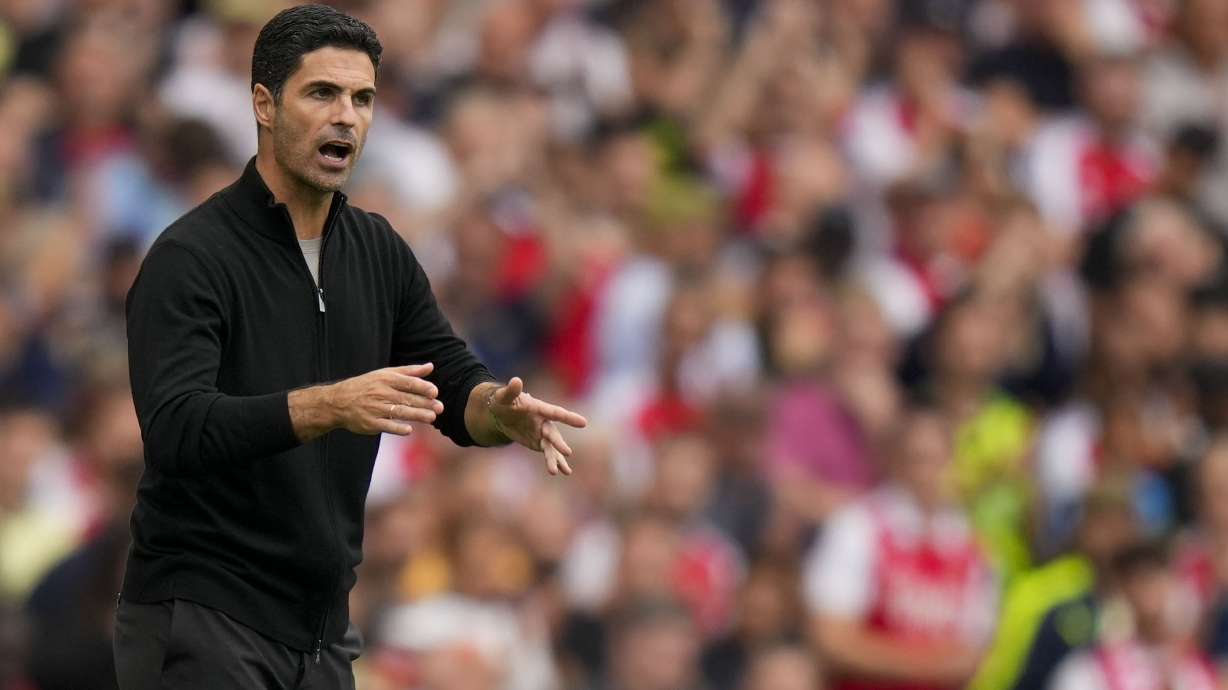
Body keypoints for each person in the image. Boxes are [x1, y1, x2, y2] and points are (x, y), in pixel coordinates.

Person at [111, 5, 587, 689]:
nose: (347, 116)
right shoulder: (192, 256)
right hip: (202, 616)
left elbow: (447, 379)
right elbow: (178, 428)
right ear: (264, 106)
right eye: (322, 93)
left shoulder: (377, 249)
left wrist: (493, 411)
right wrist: (328, 405)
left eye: (362, 98)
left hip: (321, 631)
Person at [803, 406, 998, 690]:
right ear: (893, 460)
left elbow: (973, 655)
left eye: (938, 460)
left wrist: (884, 653)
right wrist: (931, 665)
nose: (927, 473)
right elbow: (832, 640)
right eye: (917, 459)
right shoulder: (857, 527)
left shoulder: (970, 545)